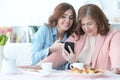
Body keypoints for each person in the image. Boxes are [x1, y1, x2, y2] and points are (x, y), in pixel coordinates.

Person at [61, 4, 120, 74]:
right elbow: (59, 53)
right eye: (83, 24)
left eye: (90, 24)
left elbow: (116, 52)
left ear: (99, 22)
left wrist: (117, 66)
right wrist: (44, 64)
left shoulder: (113, 34)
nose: (86, 28)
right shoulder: (78, 35)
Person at [31, 2, 76, 70]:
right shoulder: (45, 30)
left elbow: (65, 67)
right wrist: (50, 49)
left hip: (58, 76)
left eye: (71, 18)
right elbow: (34, 58)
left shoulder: (71, 38)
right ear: (57, 17)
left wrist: (72, 62)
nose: (67, 21)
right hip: (39, 73)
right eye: (63, 16)